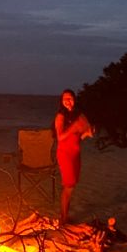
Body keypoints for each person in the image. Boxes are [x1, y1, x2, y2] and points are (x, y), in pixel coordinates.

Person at [54, 89, 94, 226]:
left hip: (75, 153)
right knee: (68, 185)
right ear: (61, 101)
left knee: (71, 186)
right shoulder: (60, 116)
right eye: (65, 99)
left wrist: (87, 133)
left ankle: (65, 216)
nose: (68, 101)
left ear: (74, 99)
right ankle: (63, 219)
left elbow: (78, 137)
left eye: (70, 98)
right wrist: (74, 127)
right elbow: (60, 137)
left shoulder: (78, 115)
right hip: (65, 153)